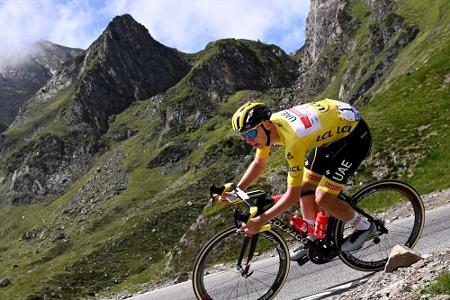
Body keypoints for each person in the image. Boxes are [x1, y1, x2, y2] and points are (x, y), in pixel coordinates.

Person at [222, 99, 375, 261]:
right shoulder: (269, 129)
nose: (249, 141)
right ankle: (313, 236)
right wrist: (236, 190)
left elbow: (292, 196)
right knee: (306, 186)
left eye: (251, 134)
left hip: (354, 137)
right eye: (244, 136)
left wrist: (260, 220)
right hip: (329, 133)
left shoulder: (293, 141)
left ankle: (365, 226)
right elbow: (259, 163)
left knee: (323, 197)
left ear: (266, 125)